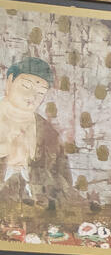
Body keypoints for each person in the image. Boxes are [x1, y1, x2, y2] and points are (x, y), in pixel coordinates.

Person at [0, 56, 74, 209]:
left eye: (40, 92)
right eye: (26, 86)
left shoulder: (48, 134)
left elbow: (64, 187)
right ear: (9, 82)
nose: (32, 97)